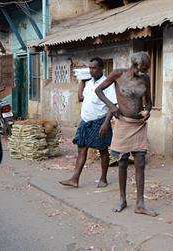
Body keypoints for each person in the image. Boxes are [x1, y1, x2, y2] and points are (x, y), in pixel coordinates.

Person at [95, 51, 157, 217]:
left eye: (146, 69)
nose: (144, 72)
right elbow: (98, 90)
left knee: (140, 162)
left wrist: (148, 110)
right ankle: (122, 199)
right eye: (142, 69)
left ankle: (140, 204)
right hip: (122, 123)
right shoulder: (118, 74)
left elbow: (149, 102)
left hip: (138, 125)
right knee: (122, 162)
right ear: (134, 65)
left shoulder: (145, 79)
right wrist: (112, 107)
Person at [59, 57, 117, 188]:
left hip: (99, 122)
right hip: (85, 122)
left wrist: (106, 124)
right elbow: (81, 98)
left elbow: (113, 105)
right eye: (90, 68)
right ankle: (75, 179)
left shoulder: (107, 84)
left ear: (101, 68)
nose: (91, 70)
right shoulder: (88, 83)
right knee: (81, 149)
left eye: (94, 68)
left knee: (103, 151)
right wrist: (82, 81)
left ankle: (103, 178)